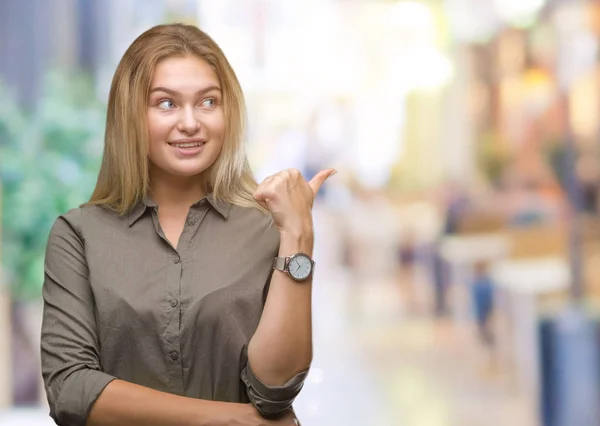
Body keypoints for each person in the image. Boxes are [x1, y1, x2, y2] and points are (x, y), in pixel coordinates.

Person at [40, 23, 335, 426]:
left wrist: (298, 237)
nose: (191, 123)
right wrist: (231, 420)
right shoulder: (78, 237)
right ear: (130, 114)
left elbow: (273, 390)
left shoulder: (267, 229)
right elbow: (70, 391)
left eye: (208, 102)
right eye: (166, 104)